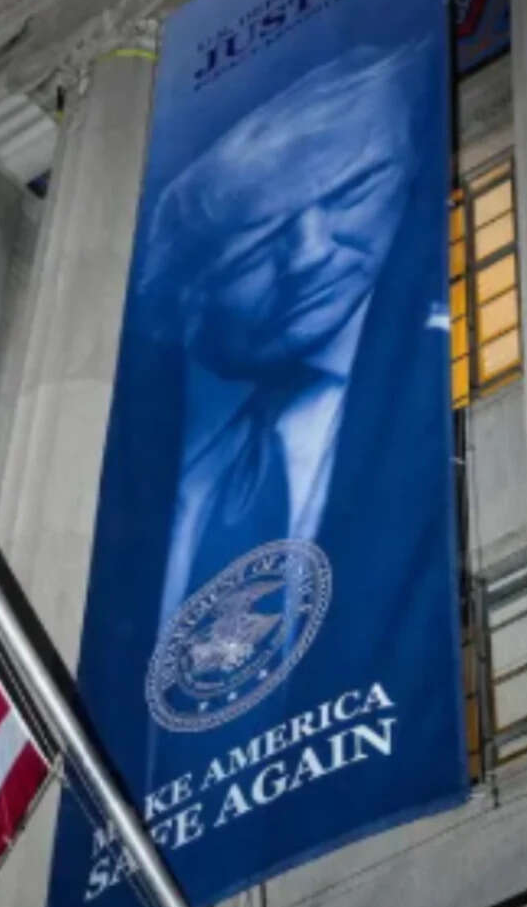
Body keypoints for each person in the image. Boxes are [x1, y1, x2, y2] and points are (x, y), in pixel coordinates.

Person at [130, 38, 437, 627]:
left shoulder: (425, 374)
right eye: (258, 241)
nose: (310, 255)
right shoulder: (160, 471)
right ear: (187, 292)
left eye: (352, 192)